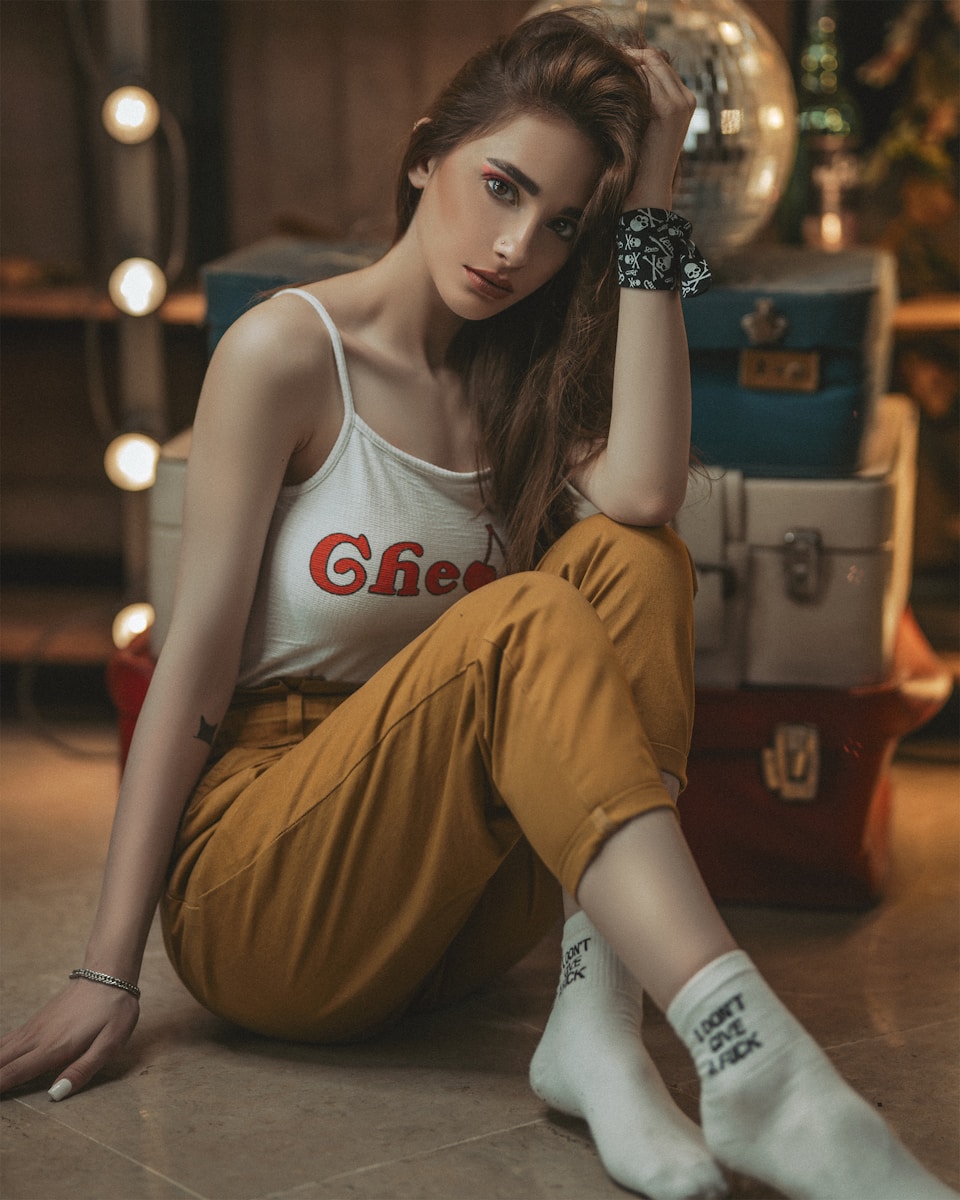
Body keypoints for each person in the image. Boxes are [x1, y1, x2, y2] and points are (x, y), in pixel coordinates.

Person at [1, 11, 955, 1200]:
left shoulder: (522, 378)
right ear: (422, 156)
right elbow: (191, 667)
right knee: (523, 619)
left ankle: (595, 1031)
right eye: (498, 187)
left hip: (446, 914)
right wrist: (108, 970)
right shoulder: (288, 353)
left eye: (559, 226)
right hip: (270, 892)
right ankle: (755, 1061)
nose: (514, 247)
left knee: (634, 558)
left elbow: (651, 491)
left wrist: (655, 188)